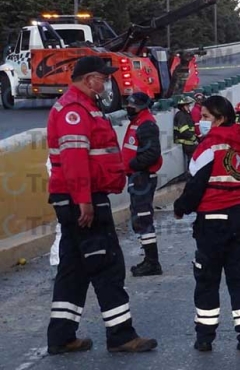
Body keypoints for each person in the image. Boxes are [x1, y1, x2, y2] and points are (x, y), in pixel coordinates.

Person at [46, 56, 157, 355]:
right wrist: (84, 200)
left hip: (78, 196)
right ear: (89, 78)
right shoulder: (75, 110)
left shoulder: (84, 107)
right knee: (107, 264)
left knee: (74, 269)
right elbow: (74, 159)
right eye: (103, 78)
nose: (107, 83)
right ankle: (121, 336)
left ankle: (61, 336)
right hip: (83, 197)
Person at [173, 96, 240, 353]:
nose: (200, 122)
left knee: (207, 280)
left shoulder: (209, 147)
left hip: (213, 222)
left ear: (220, 119)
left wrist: (181, 208)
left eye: (205, 117)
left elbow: (195, 184)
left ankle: (205, 338)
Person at [122, 92, 163, 277]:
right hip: (138, 177)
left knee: (143, 218)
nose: (128, 108)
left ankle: (152, 262)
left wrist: (132, 166)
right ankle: (149, 259)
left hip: (142, 177)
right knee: (139, 219)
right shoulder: (139, 121)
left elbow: (152, 153)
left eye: (132, 105)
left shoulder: (146, 123)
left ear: (141, 107)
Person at [174, 96, 198, 169]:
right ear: (182, 106)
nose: (188, 107)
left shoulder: (185, 114)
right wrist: (193, 138)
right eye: (187, 105)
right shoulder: (181, 115)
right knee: (192, 160)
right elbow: (184, 130)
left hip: (189, 142)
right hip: (186, 143)